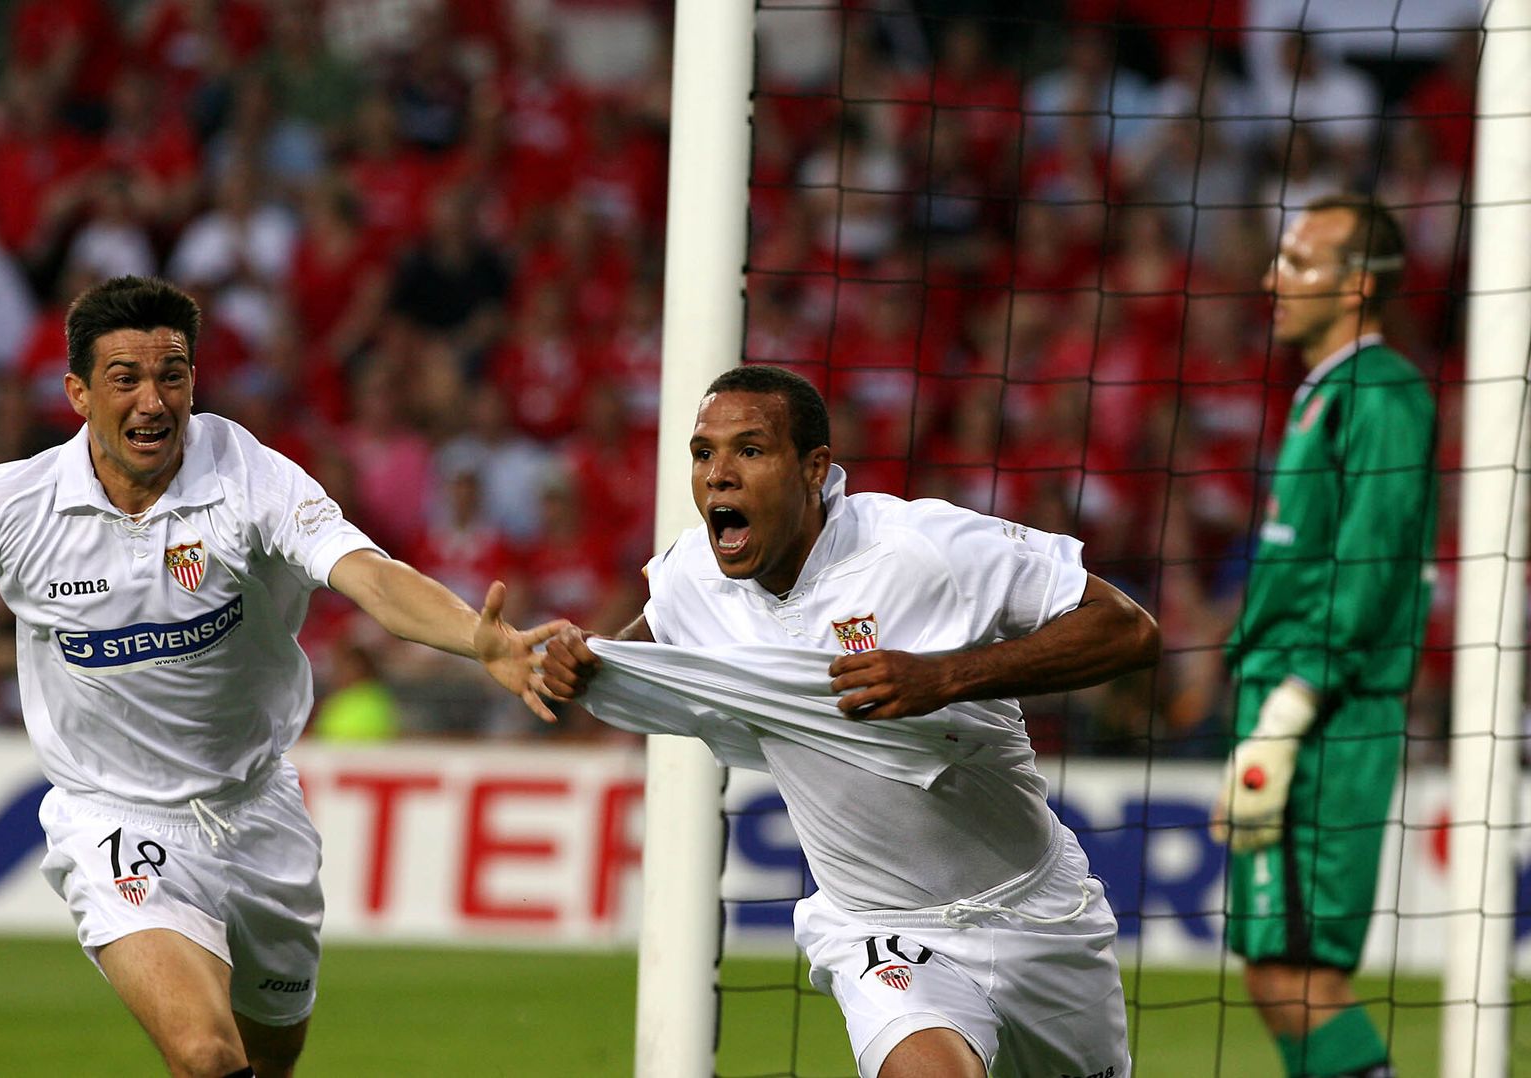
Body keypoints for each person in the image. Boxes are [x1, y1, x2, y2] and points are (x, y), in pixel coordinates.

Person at [0, 276, 561, 1077]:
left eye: (174, 375)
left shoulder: (248, 478)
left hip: (257, 812)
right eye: (125, 378)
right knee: (204, 1054)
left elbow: (367, 573)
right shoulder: (13, 504)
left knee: (272, 1054)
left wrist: (479, 640)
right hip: (113, 819)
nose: (154, 401)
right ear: (79, 394)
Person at [542, 364, 1161, 1078]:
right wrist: (577, 664)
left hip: (1038, 914)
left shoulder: (922, 549)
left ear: (814, 468)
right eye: (703, 452)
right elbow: (632, 658)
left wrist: (945, 675)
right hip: (878, 927)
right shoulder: (691, 580)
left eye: (749, 449)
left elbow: (1128, 629)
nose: (718, 475)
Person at [1210, 195, 1436, 1078]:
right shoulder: (1330, 392)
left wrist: (1290, 714)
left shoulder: (1383, 395)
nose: (1273, 278)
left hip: (1330, 711)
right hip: (1293, 694)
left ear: (1358, 287)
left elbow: (1369, 567)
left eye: (1300, 264)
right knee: (1278, 968)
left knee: (1295, 972)